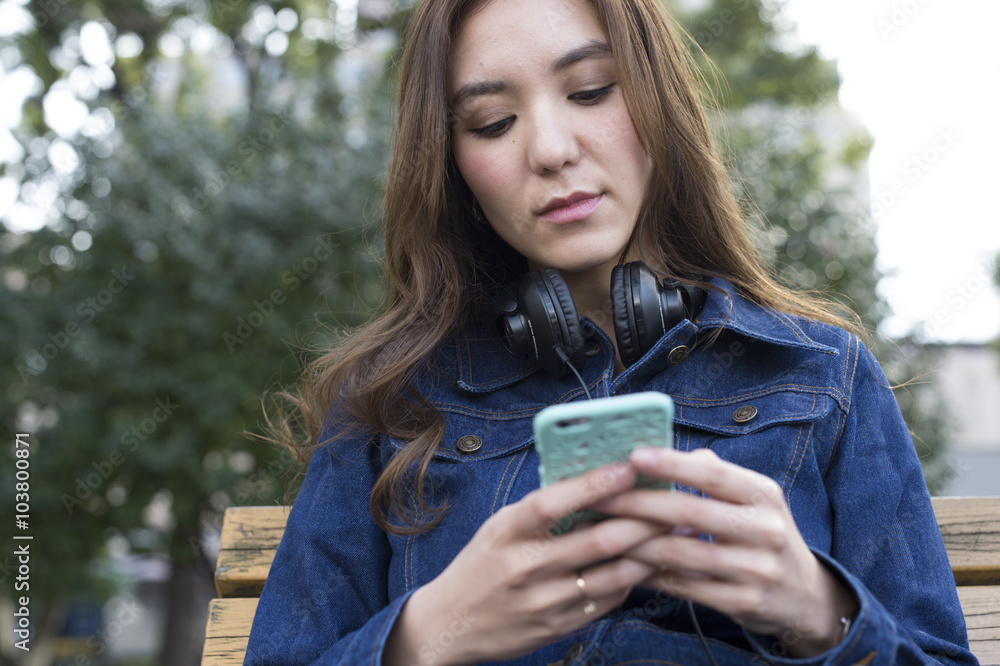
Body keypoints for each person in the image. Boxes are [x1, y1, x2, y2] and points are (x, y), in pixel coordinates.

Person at [243, 0, 977, 664]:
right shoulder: (388, 405)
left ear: (659, 99)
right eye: (493, 122)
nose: (552, 149)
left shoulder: (825, 378)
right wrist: (427, 633)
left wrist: (820, 612)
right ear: (452, 162)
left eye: (591, 90)